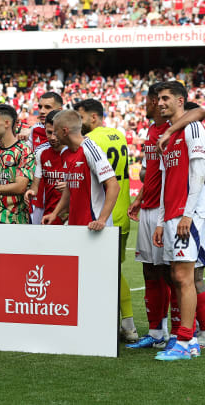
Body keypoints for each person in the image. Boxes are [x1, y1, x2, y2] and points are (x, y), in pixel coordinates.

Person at [74, 98, 137, 342]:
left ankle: (124, 325)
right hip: (122, 212)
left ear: (93, 117)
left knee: (108, 272)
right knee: (115, 270)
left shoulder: (90, 141)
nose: (79, 121)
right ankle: (126, 324)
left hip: (104, 213)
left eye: (81, 116)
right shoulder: (118, 135)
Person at [152, 81, 205, 360]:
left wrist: (187, 213)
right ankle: (192, 340)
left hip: (189, 215)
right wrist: (161, 221)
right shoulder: (166, 136)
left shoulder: (192, 128)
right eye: (158, 99)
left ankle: (185, 342)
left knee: (185, 277)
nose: (160, 103)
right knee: (177, 276)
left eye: (165, 98)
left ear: (181, 101)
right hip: (172, 216)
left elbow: (199, 171)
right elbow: (165, 181)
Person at [126, 82, 172, 349]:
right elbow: (150, 173)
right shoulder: (152, 130)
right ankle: (155, 333)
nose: (143, 104)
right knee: (149, 270)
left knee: (171, 271)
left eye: (147, 99)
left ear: (155, 101)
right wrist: (140, 197)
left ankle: (179, 331)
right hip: (148, 208)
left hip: (167, 211)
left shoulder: (173, 130)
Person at [43, 110, 119, 232]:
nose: (54, 136)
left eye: (56, 131)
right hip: (75, 225)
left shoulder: (90, 149)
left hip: (94, 226)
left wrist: (101, 220)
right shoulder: (66, 153)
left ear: (65, 131)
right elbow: (70, 187)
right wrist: (55, 213)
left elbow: (114, 185)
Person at [27, 92, 63, 225]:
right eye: (40, 107)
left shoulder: (72, 134)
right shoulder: (34, 130)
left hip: (60, 198)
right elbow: (28, 156)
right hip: (39, 196)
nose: (42, 111)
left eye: (47, 107)